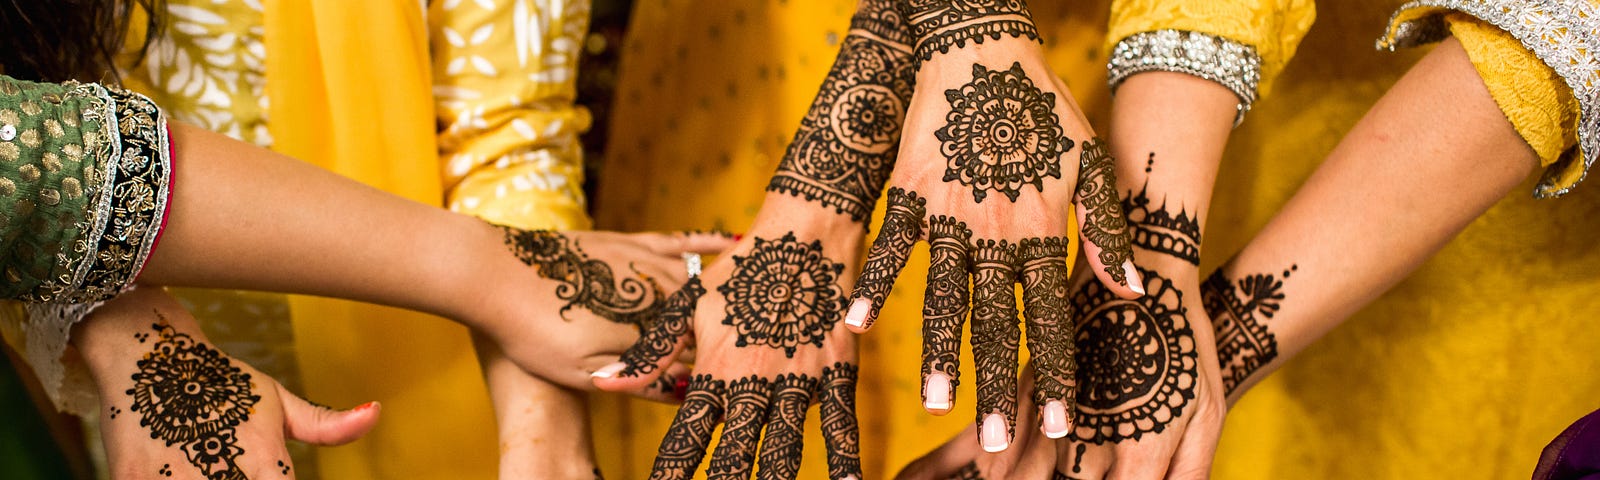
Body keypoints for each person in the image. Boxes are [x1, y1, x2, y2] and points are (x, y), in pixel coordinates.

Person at [0, 1, 733, 478]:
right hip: (145, 405)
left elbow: (507, 132)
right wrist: (132, 335)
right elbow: (26, 172)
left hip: (443, 363)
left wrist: (543, 438)